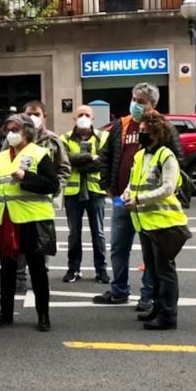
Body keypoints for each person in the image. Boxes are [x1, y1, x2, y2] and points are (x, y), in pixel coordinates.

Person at [94, 82, 184, 312]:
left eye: (141, 101)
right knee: (118, 247)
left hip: (151, 204)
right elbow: (106, 157)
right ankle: (119, 290)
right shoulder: (120, 126)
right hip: (124, 199)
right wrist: (108, 187)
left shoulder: (162, 128)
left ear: (153, 104)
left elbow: (176, 161)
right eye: (134, 99)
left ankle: (148, 296)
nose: (135, 104)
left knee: (151, 255)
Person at [0, 114, 58, 332]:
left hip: (33, 219)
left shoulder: (39, 154)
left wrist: (25, 178)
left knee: (37, 269)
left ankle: (43, 316)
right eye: (9, 129)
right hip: (6, 218)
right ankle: (5, 313)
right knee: (7, 269)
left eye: (16, 129)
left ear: (27, 131)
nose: (11, 133)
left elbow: (52, 185)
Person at [123, 113, 190, 331]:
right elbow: (133, 182)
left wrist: (139, 199)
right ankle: (158, 308)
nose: (139, 133)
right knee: (153, 269)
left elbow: (168, 187)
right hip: (145, 222)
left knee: (164, 270)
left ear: (155, 132)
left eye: (143, 130)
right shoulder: (140, 155)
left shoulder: (165, 155)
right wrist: (127, 194)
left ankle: (168, 315)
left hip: (164, 222)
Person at [18, 101, 70, 293]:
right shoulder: (15, 138)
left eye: (36, 114)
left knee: (42, 241)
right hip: (19, 199)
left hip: (42, 200)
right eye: (28, 114)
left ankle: (41, 276)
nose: (32, 117)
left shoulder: (53, 140)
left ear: (44, 116)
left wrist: (57, 189)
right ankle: (19, 279)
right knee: (20, 241)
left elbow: (64, 168)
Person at [61, 105, 110, 283]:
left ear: (93, 119)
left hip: (95, 191)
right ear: (74, 118)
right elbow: (64, 159)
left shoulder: (103, 137)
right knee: (74, 233)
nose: (83, 117)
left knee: (98, 232)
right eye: (80, 114)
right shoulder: (64, 138)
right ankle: (73, 268)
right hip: (73, 192)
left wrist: (79, 162)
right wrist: (90, 157)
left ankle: (101, 270)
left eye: (86, 115)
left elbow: (103, 162)